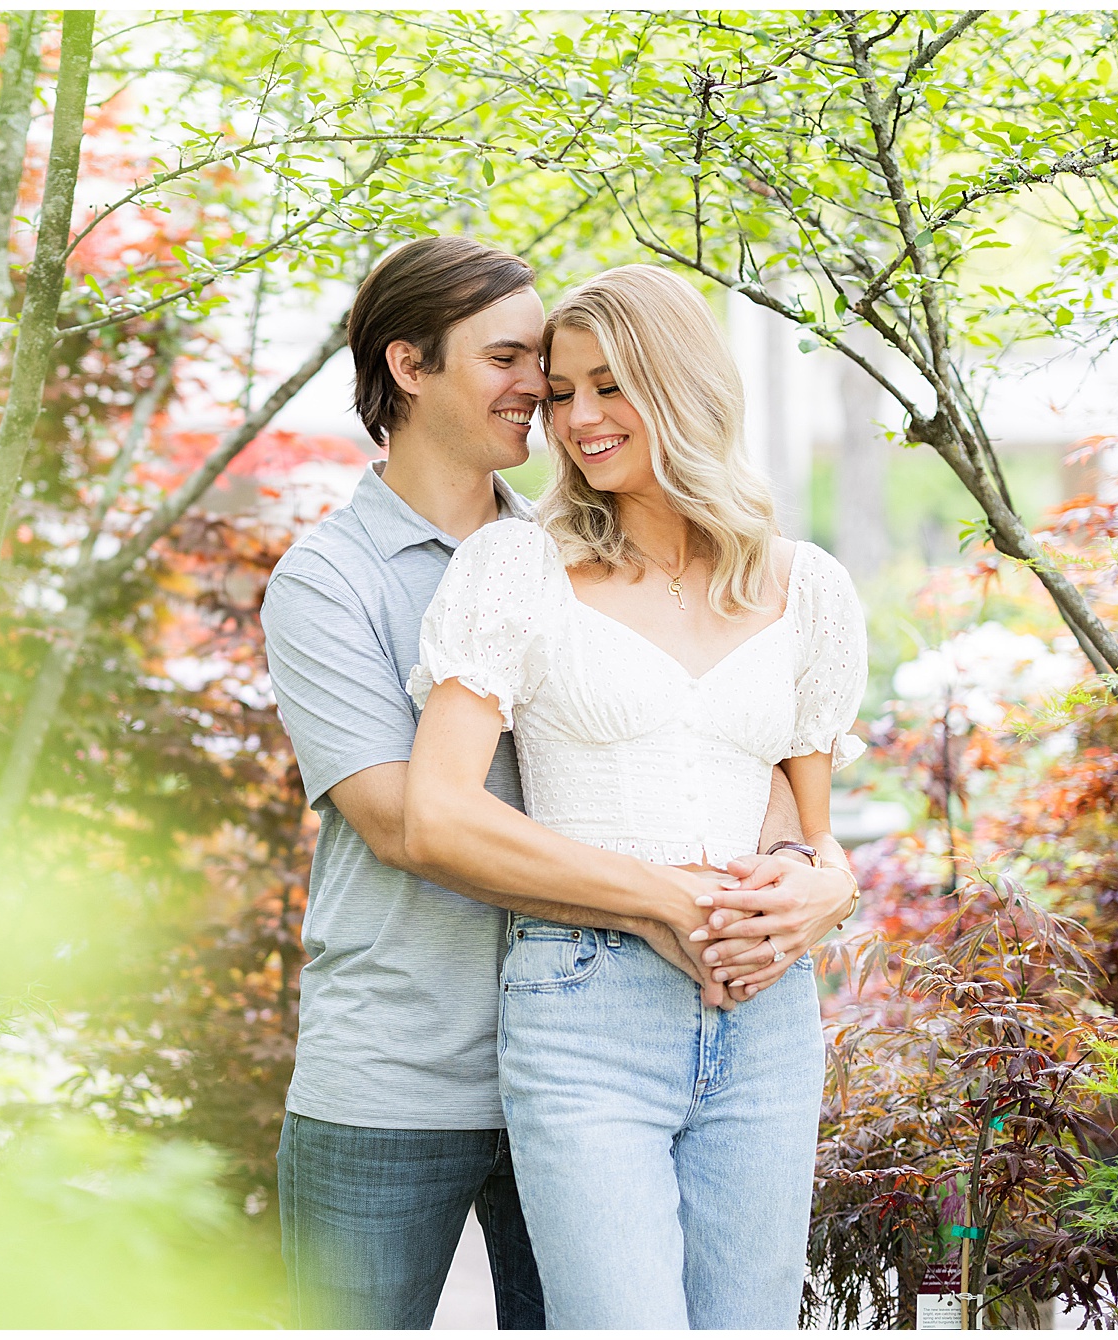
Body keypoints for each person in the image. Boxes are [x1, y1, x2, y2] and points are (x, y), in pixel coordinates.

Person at [259, 238, 852, 1329]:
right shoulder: (330, 579)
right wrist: (674, 900)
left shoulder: (577, 555)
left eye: (560, 367)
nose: (541, 391)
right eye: (510, 359)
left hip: (601, 1029)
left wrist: (815, 872)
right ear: (407, 365)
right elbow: (408, 823)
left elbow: (735, 761)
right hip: (408, 1065)